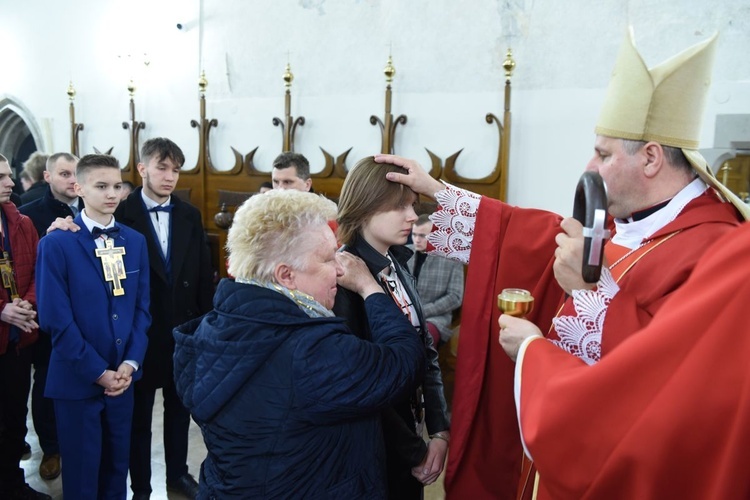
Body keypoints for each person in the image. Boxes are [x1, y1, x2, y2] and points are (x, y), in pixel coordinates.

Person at [375, 30, 749, 499]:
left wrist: (578, 303)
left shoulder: (718, 251)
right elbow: (525, 234)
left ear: (651, 158)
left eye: (604, 153)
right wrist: (439, 193)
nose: (589, 165)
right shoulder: (627, 223)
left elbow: (674, 387)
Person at [173, 189, 425, 498]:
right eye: (327, 259)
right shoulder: (309, 351)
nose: (340, 267)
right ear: (286, 275)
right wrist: (369, 287)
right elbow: (403, 361)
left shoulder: (210, 328)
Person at [497, 220, 750, 499]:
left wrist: (531, 350)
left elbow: (658, 389)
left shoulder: (714, 244)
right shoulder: (622, 229)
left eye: (599, 170)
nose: (590, 173)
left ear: (650, 171)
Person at [334, 157, 451, 498]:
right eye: (399, 207)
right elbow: (360, 383)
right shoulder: (345, 277)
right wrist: (414, 451)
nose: (413, 217)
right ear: (365, 208)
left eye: (412, 205)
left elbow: (424, 352)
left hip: (411, 429)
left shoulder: (396, 262)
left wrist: (439, 431)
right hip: (376, 446)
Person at [36, 154, 150, 499]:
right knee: (83, 476)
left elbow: (141, 309)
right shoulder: (57, 243)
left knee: (117, 469)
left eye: (117, 186)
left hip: (122, 378)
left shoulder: (134, 241)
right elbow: (56, 320)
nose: (111, 194)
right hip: (78, 379)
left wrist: (129, 364)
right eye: (101, 186)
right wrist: (98, 371)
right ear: (79, 187)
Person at [116, 138, 212, 500]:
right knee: (139, 416)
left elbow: (204, 273)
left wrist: (203, 328)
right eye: (162, 167)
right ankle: (141, 486)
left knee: (178, 411)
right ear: (142, 169)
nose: (170, 176)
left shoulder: (189, 214)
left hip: (183, 331)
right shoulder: (121, 213)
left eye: (175, 169)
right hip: (140, 334)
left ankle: (177, 474)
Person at [19, 152, 80, 482]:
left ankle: (77, 444)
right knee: (46, 384)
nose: (72, 180)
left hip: (84, 314)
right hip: (48, 316)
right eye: (64, 173)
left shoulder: (89, 210)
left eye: (76, 173)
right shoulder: (30, 216)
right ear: (48, 177)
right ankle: (51, 448)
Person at [0, 154, 49, 500]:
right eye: (2, 177)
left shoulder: (22, 222)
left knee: (15, 417)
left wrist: (26, 303)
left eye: (9, 175)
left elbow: (36, 272)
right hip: (4, 324)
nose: (11, 182)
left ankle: (12, 484)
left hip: (19, 337)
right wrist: (2, 310)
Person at [407, 213, 464, 348]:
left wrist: (422, 311)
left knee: (419, 341)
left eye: (422, 236)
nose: (416, 240)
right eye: (414, 235)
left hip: (436, 318)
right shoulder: (404, 253)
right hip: (404, 314)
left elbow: (455, 297)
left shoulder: (452, 259)